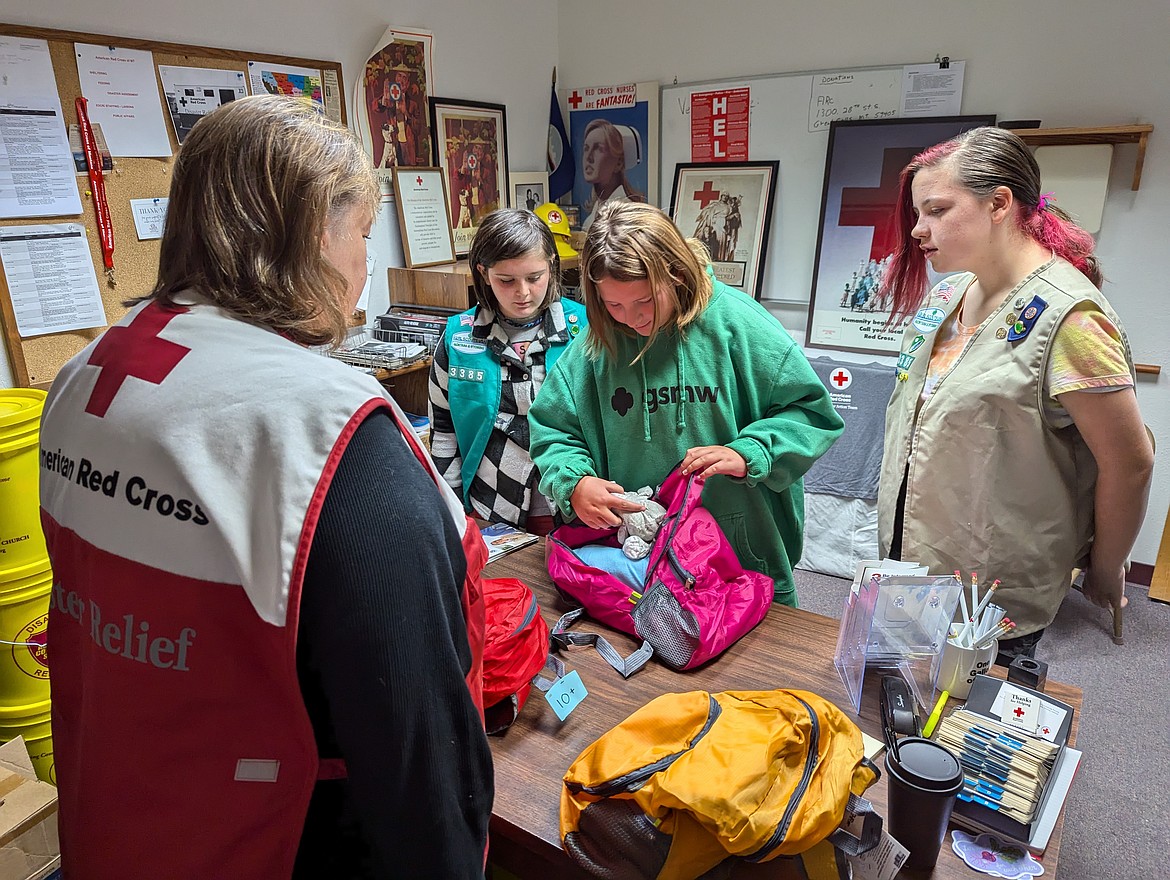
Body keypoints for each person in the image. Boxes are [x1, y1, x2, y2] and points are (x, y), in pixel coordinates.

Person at [38, 96, 492, 879]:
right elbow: (419, 755)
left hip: (121, 826)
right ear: (311, 233)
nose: (365, 264)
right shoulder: (326, 433)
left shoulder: (83, 379)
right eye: (359, 233)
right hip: (275, 845)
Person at [877, 125, 1154, 663]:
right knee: (893, 703)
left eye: (936, 210)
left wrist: (1104, 564)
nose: (917, 229)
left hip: (990, 581)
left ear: (999, 203)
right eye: (917, 214)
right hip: (912, 550)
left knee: (963, 725)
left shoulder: (1068, 318)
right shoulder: (950, 293)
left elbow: (1130, 462)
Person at [528, 201, 844, 605]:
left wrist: (750, 452)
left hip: (742, 565)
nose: (633, 319)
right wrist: (574, 483)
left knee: (761, 667)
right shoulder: (599, 342)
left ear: (675, 274)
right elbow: (554, 427)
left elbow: (811, 413)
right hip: (641, 565)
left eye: (644, 301)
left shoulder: (738, 324)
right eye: (614, 305)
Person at [429, 208, 588, 535]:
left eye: (535, 277)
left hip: (573, 509)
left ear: (552, 268)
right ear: (484, 273)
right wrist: (453, 512)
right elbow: (443, 431)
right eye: (507, 280)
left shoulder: (584, 329)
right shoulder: (458, 338)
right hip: (489, 507)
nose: (523, 293)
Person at [580, 119, 645, 231]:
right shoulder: (592, 216)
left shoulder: (626, 218)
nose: (589, 157)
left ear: (619, 163)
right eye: (586, 149)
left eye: (599, 149)